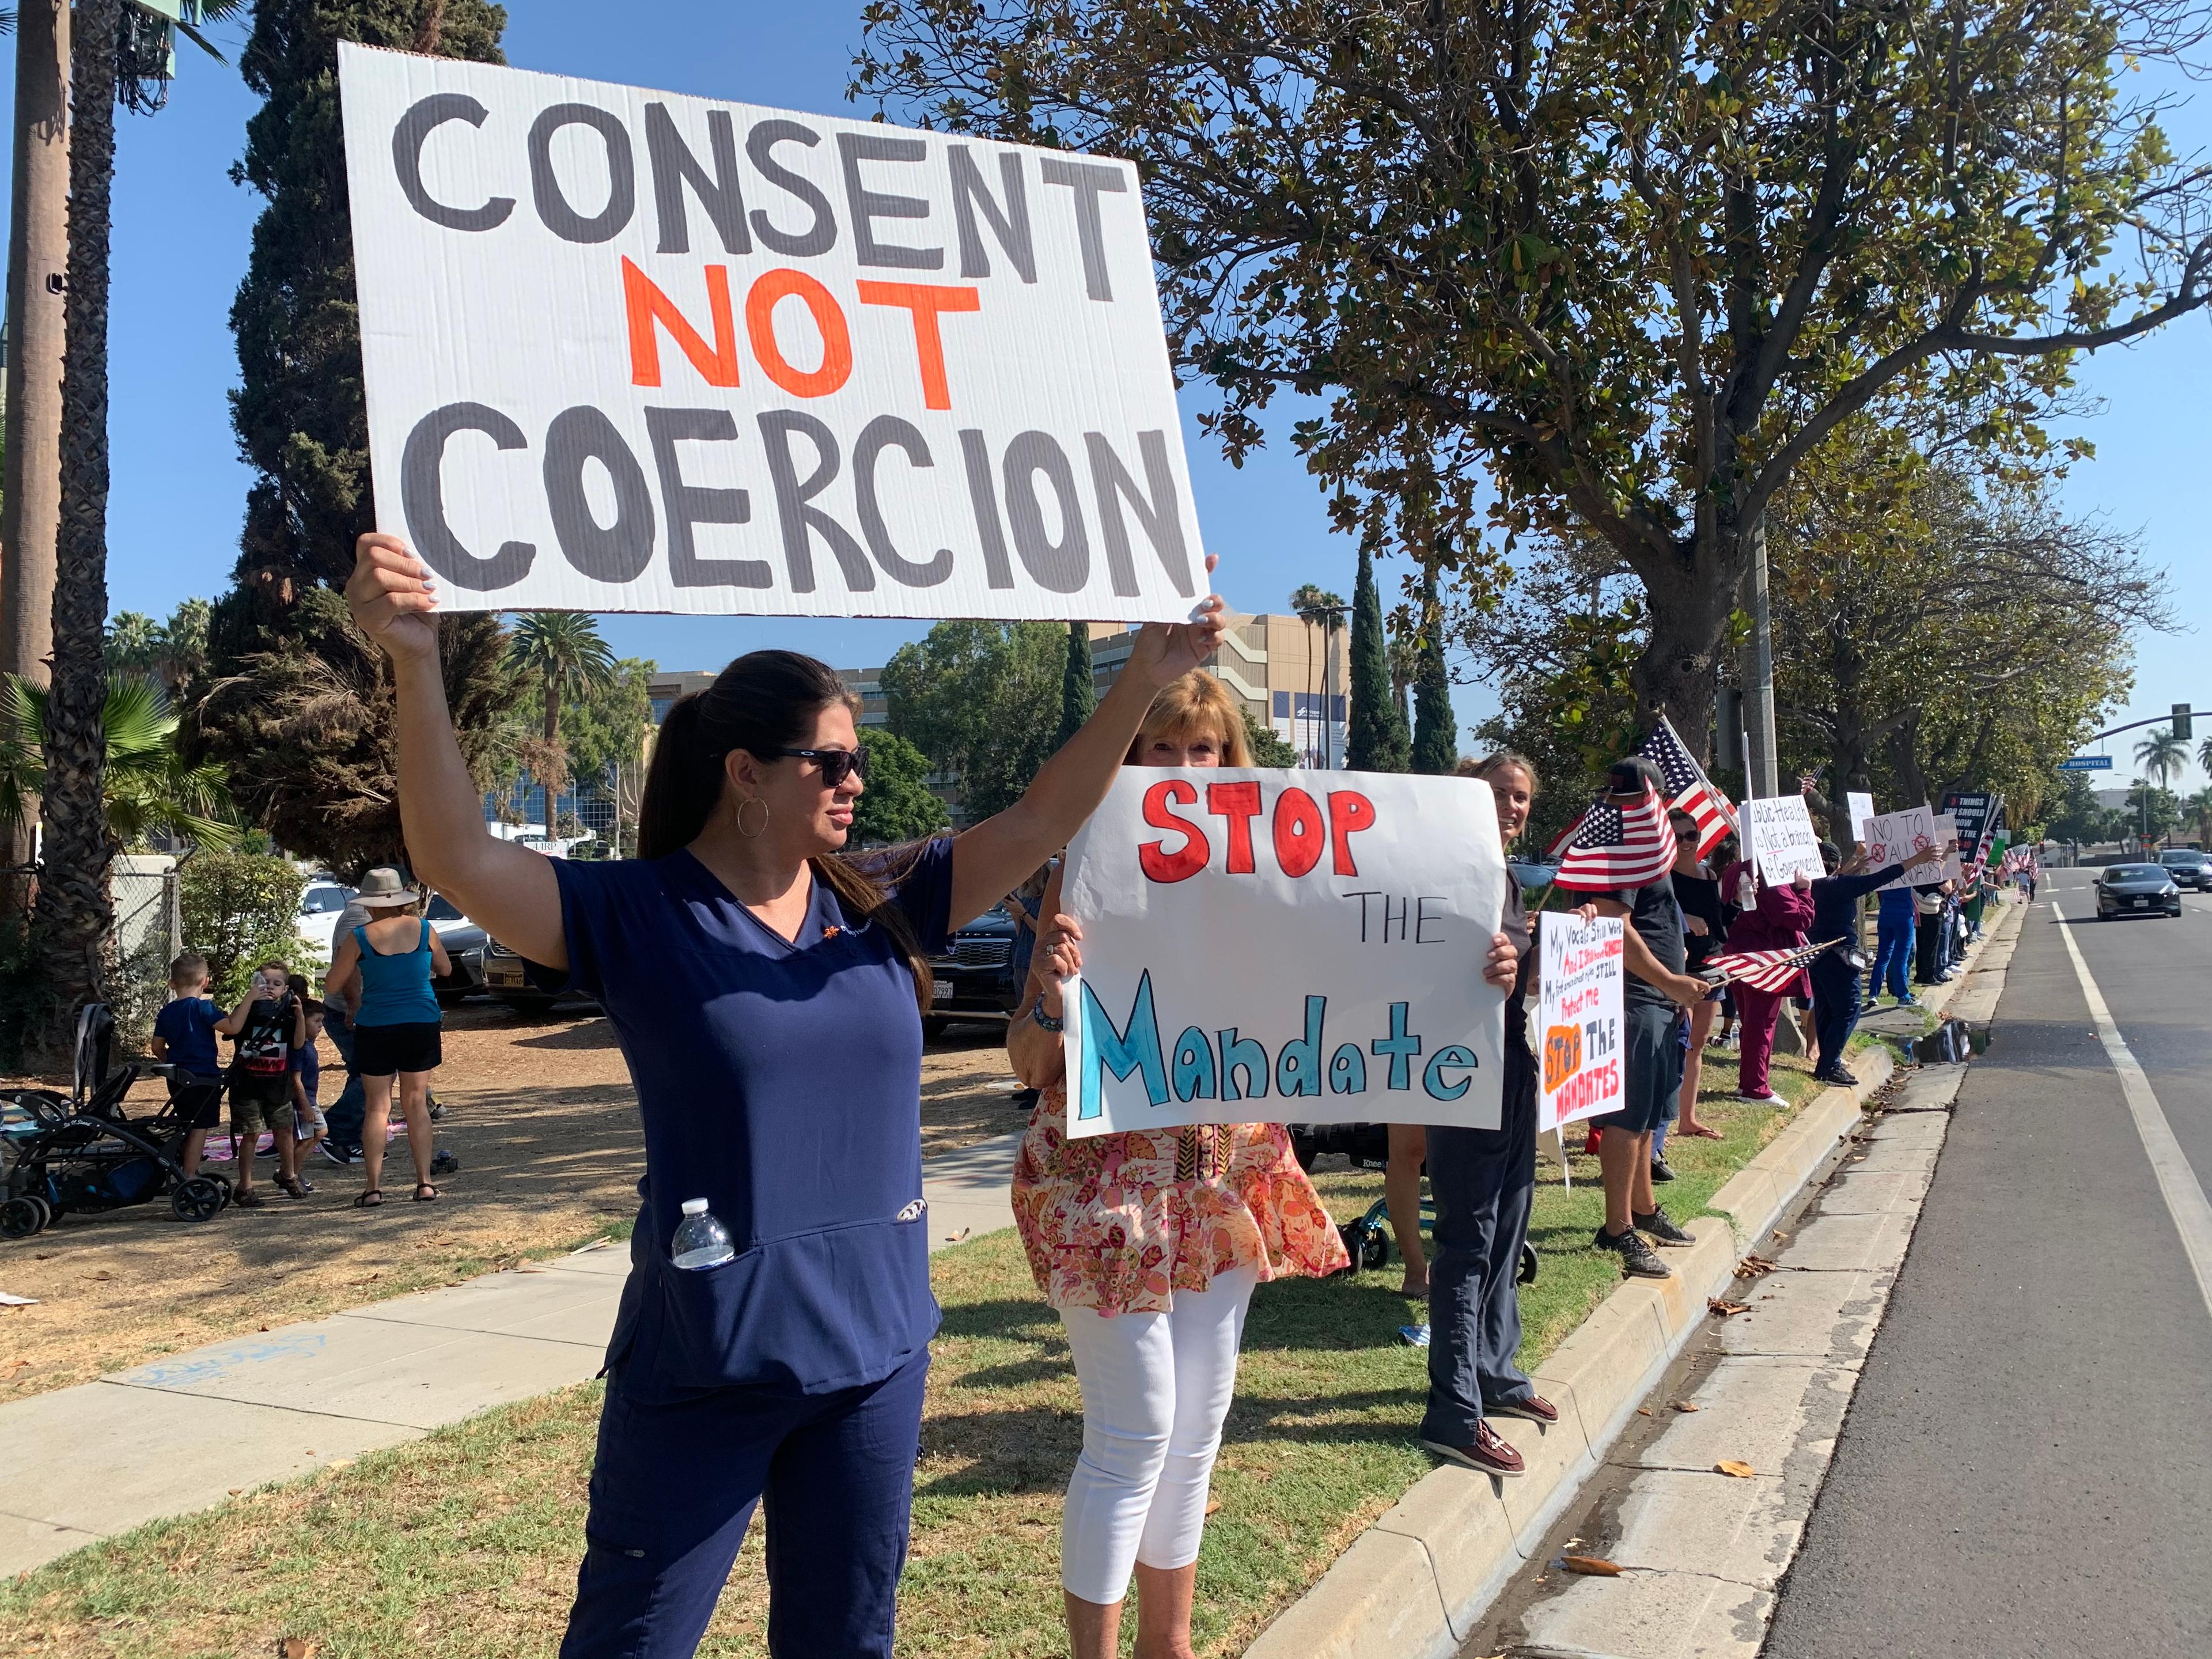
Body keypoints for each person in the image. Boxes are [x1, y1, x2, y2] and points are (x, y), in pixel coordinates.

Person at [348, 529, 1231, 1659]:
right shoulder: (636, 915)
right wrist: (416, 663)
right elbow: (459, 857)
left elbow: (1047, 816)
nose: (857, 783)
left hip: (875, 1364)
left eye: (857, 760)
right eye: (832, 762)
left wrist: (1146, 683)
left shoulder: (887, 903)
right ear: (746, 773)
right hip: (706, 1365)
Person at [1007, 669, 1501, 1659]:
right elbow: (1028, 1060)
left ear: (1236, 763)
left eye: (1207, 751)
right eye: (1162, 750)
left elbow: (1371, 980)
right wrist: (1058, 996)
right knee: (1136, 1432)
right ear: (1129, 759)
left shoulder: (1277, 881)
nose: (1185, 771)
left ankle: (1170, 1644)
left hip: (1229, 1181)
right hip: (1111, 1194)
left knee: (1196, 1431)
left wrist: (1472, 974)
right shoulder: (1088, 873)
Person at [1418, 753, 1563, 1478]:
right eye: (1502, 794)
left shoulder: (1505, 876)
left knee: (1510, 1224)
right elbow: (1425, 966)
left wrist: (1547, 949)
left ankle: (1494, 1373)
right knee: (1468, 1240)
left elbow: (1509, 974)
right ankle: (1453, 1410)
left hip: (1513, 1066)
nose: (1514, 807)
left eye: (1523, 798)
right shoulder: (1443, 874)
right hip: (1461, 1075)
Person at [1580, 758, 1710, 1281]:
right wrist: (1670, 982)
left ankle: (1644, 1209)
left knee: (1650, 1115)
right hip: (1633, 997)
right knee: (1628, 1117)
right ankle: (1616, 1229)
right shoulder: (1621, 847)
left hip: (1654, 998)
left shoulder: (1644, 846)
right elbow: (1615, 924)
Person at [325, 867, 449, 1207]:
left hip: (376, 1025)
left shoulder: (361, 937)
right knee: (416, 1104)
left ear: (369, 903)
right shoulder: (425, 929)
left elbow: (333, 984)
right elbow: (446, 969)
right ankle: (424, 1184)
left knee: (377, 1108)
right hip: (420, 1021)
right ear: (401, 901)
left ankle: (374, 1189)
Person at [1807, 840, 1941, 1085]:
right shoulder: (1839, 886)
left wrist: (1854, 866)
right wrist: (1918, 859)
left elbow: (1837, 880)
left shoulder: (1812, 886)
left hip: (1817, 958)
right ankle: (1829, 1065)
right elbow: (1881, 878)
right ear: (1836, 865)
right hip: (1839, 958)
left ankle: (1827, 1062)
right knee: (1849, 1010)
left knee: (1827, 1011)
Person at [1720, 854, 1815, 1108]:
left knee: (1752, 1022)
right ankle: (1755, 1087)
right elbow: (1799, 918)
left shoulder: (1735, 868)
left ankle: (1749, 1082)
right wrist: (1804, 891)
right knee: (1762, 1025)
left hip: (1740, 954)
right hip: (1766, 960)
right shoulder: (1769, 874)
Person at [215, 960, 307, 1206]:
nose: (270, 988)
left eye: (277, 984)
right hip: (247, 1086)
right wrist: (249, 998)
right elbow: (233, 1029)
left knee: (284, 1132)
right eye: (264, 983)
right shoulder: (247, 1010)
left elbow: (298, 1044)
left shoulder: (287, 1014)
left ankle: (289, 1174)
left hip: (278, 1086)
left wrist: (299, 1016)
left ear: (286, 989)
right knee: (251, 1134)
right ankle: (245, 1185)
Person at [1668, 809, 1731, 1145]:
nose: (1685, 843)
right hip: (1678, 969)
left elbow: (1719, 921)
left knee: (1698, 1044)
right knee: (1679, 1042)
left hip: (1712, 964)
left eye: (1691, 835)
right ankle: (1665, 1117)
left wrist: (1737, 900)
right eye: (1677, 837)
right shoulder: (1661, 877)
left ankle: (1688, 1117)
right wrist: (1684, 917)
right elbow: (1654, 916)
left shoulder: (1709, 876)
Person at [151, 952, 224, 1180]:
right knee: (199, 1126)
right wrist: (249, 1001)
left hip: (177, 1075)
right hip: (203, 1076)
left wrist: (167, 1059)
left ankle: (183, 1165)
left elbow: (156, 1046)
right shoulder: (204, 1008)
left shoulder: (167, 1012)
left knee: (185, 1121)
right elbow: (231, 1028)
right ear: (206, 982)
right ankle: (189, 1174)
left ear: (172, 984)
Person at [318, 892, 371, 1164]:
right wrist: (354, 1005)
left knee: (361, 1072)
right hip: (347, 1010)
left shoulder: (361, 913)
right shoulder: (359, 917)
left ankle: (348, 1138)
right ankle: (331, 1129)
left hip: (355, 1009)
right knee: (371, 1074)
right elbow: (347, 964)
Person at [286, 977, 329, 1181]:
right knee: (305, 1139)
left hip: (311, 1099)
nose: (321, 1026)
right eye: (317, 1022)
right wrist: (304, 1104)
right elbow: (296, 1078)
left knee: (320, 1132)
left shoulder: (309, 1044)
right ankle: (291, 1174)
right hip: (303, 1101)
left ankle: (292, 1171)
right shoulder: (300, 1048)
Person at [1870, 877, 1918, 1007]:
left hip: (1886, 913)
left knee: (1882, 956)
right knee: (1901, 957)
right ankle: (1902, 995)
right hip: (1904, 915)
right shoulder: (1908, 872)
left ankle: (1873, 994)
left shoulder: (1886, 872)